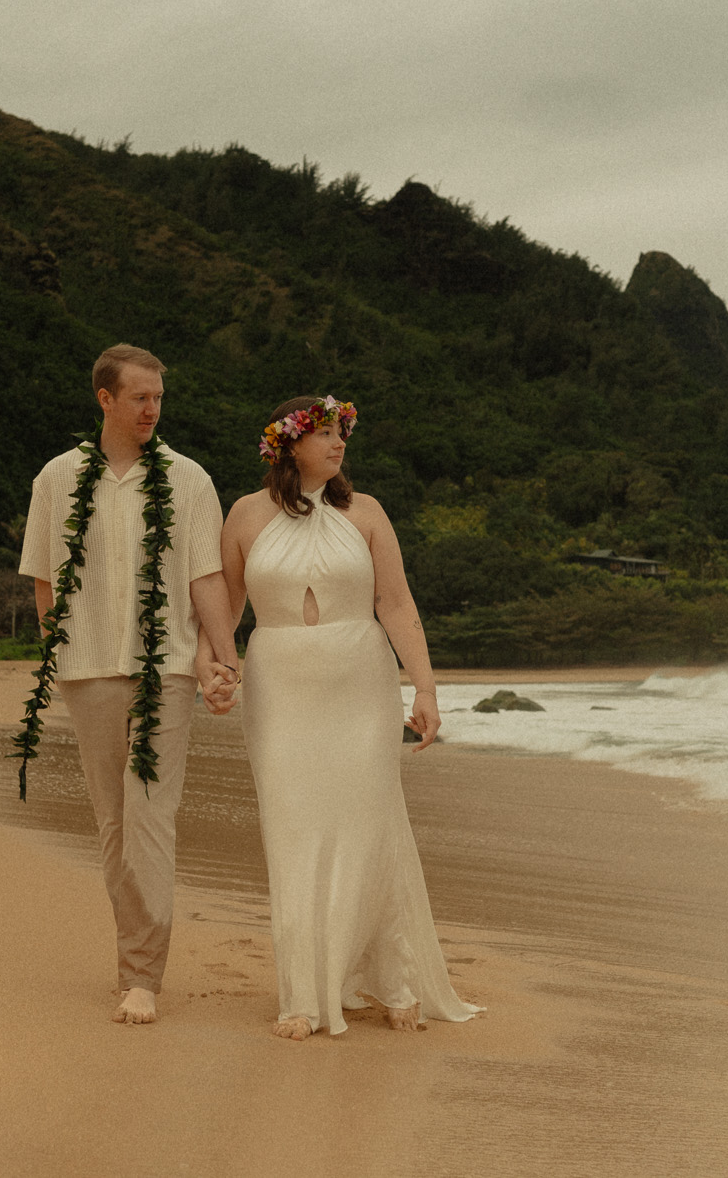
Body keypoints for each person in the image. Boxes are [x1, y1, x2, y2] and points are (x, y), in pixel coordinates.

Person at [218, 395, 481, 1039]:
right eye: (326, 434)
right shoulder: (246, 515)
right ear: (288, 443)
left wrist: (424, 687)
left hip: (359, 677)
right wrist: (217, 669)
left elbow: (395, 602)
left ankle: (390, 979)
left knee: (368, 822)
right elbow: (223, 605)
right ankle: (303, 996)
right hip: (280, 684)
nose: (339, 444)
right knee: (294, 828)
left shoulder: (365, 513)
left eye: (342, 432)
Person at [17, 344, 239, 1026]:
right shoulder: (57, 479)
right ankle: (132, 958)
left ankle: (141, 975)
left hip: (165, 669)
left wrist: (222, 660)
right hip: (87, 668)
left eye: (159, 397)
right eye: (139, 396)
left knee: (150, 812)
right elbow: (43, 578)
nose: (152, 409)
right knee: (113, 822)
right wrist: (56, 654)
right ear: (105, 399)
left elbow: (207, 578)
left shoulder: (190, 480)